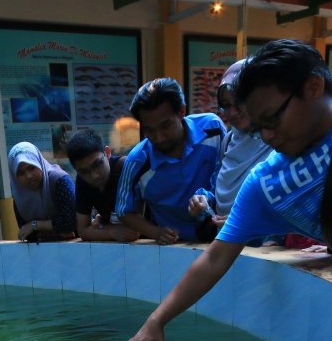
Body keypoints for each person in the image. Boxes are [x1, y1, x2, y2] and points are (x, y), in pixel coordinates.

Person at [121, 39, 332, 341]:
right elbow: (215, 258)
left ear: (313, 87)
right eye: (258, 128)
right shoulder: (266, 184)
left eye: (272, 120)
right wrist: (156, 321)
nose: (268, 136)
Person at [114, 77, 226, 244]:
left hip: (224, 237)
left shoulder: (213, 128)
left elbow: (228, 172)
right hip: (175, 248)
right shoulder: (137, 161)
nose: (158, 137)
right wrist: (155, 232)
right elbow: (124, 211)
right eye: (149, 130)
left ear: (182, 111)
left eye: (165, 125)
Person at [186, 59, 276, 243]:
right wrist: (203, 201)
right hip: (228, 243)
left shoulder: (277, 139)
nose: (232, 112)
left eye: (240, 102)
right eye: (225, 105)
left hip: (269, 250)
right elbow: (218, 190)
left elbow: (289, 203)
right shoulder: (228, 140)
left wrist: (251, 224)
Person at [65, 128, 140, 242]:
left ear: (107, 153)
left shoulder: (125, 169)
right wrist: (111, 232)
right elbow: (83, 231)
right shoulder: (82, 181)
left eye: (98, 164)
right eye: (84, 171)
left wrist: (100, 228)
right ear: (76, 170)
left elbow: (134, 231)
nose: (94, 175)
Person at [8, 142, 77, 242]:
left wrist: (34, 225)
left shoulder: (60, 180)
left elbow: (69, 223)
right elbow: (26, 233)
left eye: (32, 167)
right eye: (21, 173)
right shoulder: (20, 196)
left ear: (39, 163)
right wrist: (56, 230)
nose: (29, 176)